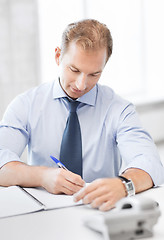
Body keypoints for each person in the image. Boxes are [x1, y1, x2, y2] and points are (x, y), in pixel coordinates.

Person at [0, 19, 164, 211]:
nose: (81, 85)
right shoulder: (26, 104)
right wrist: (42, 176)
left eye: (94, 74)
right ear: (58, 56)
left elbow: (151, 163)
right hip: (42, 215)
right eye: (74, 70)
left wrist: (123, 184)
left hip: (100, 210)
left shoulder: (119, 109)